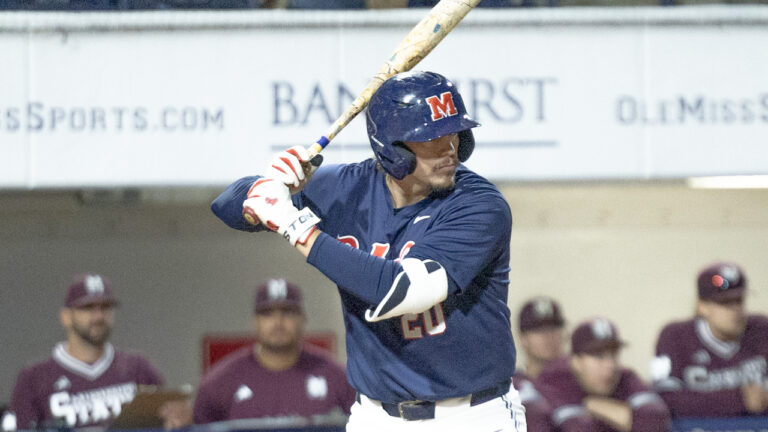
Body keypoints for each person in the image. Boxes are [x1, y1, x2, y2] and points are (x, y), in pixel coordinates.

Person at [211, 70, 526, 431]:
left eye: (453, 132)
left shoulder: (479, 204)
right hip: (376, 416)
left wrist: (294, 225)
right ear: (391, 147)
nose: (448, 148)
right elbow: (226, 207)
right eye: (431, 138)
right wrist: (269, 184)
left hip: (473, 414)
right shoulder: (345, 189)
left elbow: (403, 291)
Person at [5, 274, 170, 431]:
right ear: (66, 317)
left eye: (105, 307)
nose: (98, 316)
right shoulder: (34, 378)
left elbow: (166, 422)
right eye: (87, 307)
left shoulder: (138, 368)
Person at [192, 278, 355, 428]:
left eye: (288, 312)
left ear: (303, 319)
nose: (278, 322)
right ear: (254, 322)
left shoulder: (337, 376)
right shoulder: (220, 381)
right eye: (267, 313)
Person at [651, 262, 768, 418]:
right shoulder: (674, 337)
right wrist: (738, 399)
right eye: (725, 303)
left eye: (739, 300)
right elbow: (663, 400)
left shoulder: (761, 330)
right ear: (702, 306)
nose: (735, 310)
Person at [536, 317, 671, 432]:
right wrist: (627, 419)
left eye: (613, 355)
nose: (610, 365)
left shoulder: (625, 377)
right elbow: (578, 428)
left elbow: (656, 421)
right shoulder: (554, 381)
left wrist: (593, 404)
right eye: (598, 356)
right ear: (576, 362)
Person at [513, 297, 567, 432]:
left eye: (554, 328)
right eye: (539, 330)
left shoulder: (581, 380)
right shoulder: (511, 387)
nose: (549, 336)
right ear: (522, 338)